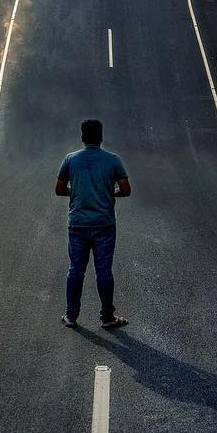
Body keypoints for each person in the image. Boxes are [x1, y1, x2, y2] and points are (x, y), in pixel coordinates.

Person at [55, 118, 131, 329]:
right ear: (101, 137)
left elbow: (59, 189)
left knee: (76, 269)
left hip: (78, 223)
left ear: (82, 137)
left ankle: (71, 316)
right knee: (104, 270)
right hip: (104, 224)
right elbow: (125, 189)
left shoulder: (70, 159)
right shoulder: (113, 160)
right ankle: (107, 317)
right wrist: (108, 191)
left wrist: (78, 191)